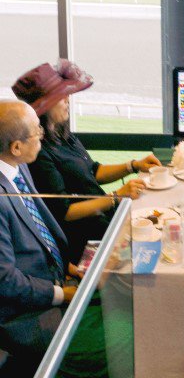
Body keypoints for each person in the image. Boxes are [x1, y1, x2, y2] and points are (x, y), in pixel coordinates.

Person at [12, 60, 160, 262]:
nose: (68, 102)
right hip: (86, 236)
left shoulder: (62, 133)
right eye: (62, 98)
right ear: (44, 107)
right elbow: (66, 212)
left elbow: (92, 171)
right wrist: (116, 197)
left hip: (103, 217)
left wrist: (133, 165)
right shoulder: (39, 153)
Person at [0, 100, 74, 374]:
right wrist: (59, 294)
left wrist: (66, 268)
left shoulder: (18, 168)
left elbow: (38, 229)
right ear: (16, 147)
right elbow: (5, 281)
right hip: (22, 317)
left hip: (54, 279)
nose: (42, 134)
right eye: (36, 131)